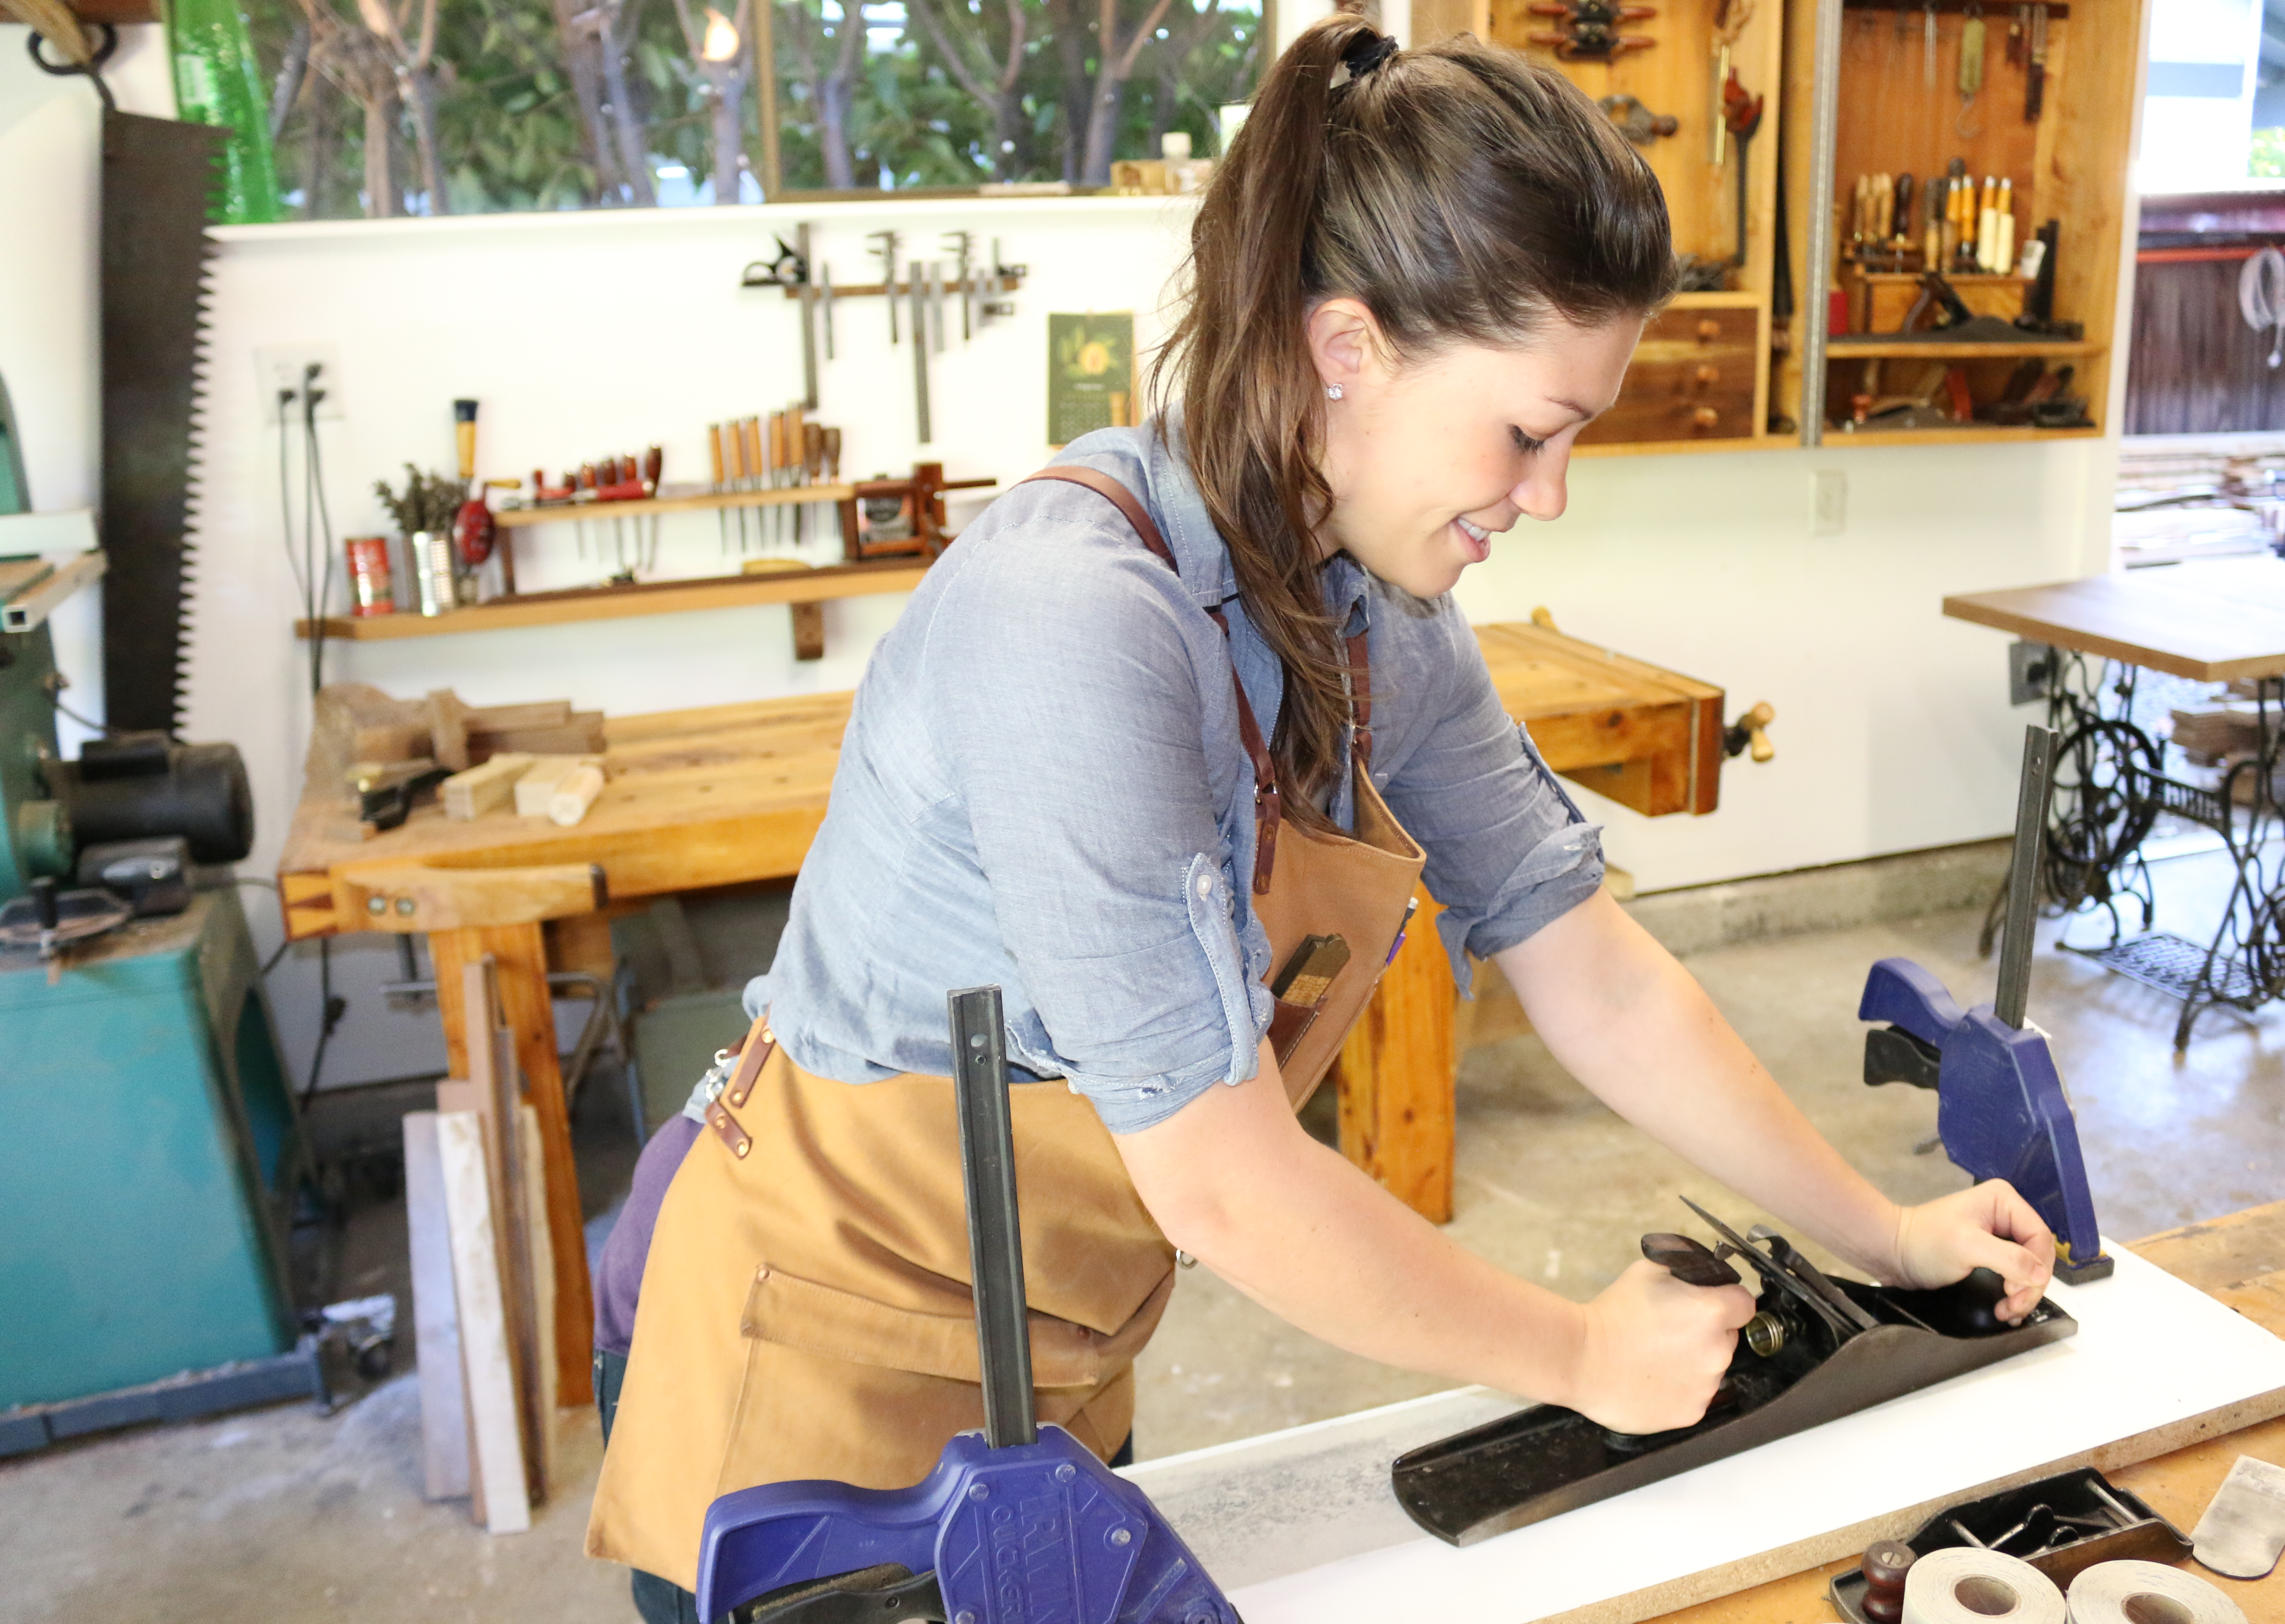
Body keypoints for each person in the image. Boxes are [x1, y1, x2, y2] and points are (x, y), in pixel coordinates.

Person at [585, 14, 2055, 1618]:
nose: (1547, 495)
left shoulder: (1369, 613)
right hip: (807, 1373)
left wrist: (1890, 1234)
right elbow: (1220, 1180)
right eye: (1531, 432)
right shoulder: (1076, 621)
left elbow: (1595, 967)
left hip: (1060, 1359)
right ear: (1347, 348)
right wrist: (1578, 1353)